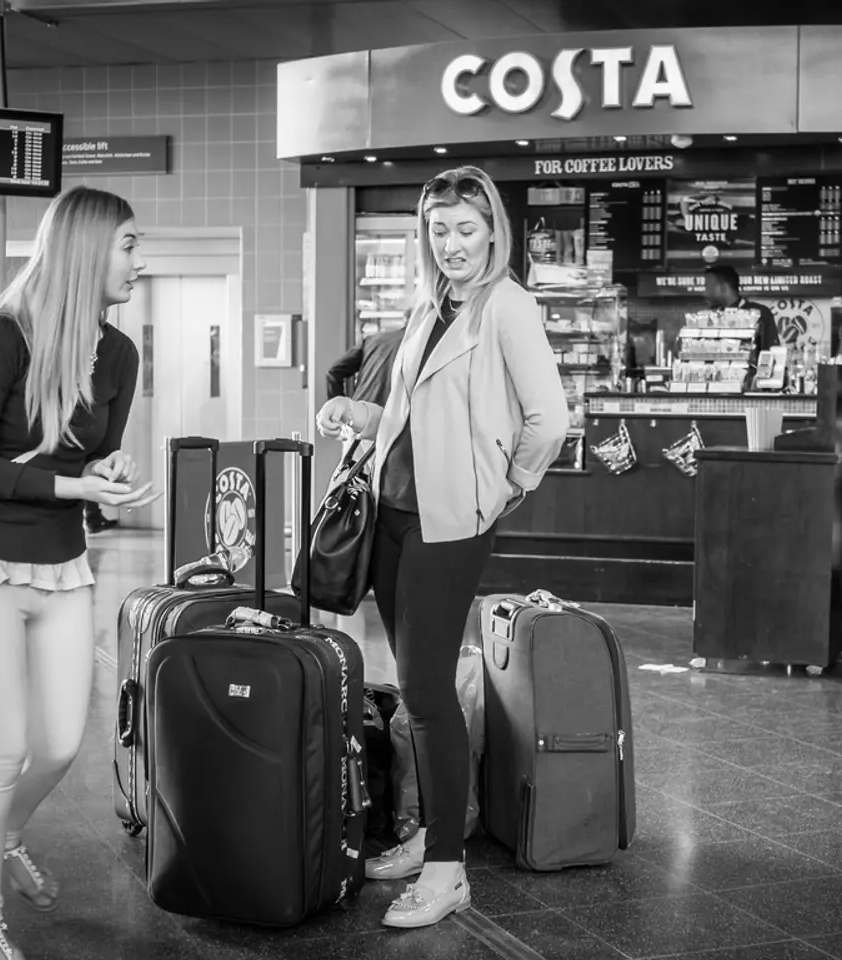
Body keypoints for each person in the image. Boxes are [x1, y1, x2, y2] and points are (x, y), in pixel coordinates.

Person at [316, 165, 568, 929]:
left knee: (425, 690)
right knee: (416, 683)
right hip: (393, 513)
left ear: (493, 229)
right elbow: (405, 410)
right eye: (438, 229)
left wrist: (503, 490)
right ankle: (431, 834)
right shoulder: (432, 305)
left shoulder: (507, 307)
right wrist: (358, 419)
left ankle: (448, 871)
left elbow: (549, 420)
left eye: (465, 228)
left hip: (448, 522)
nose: (452, 243)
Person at [0, 186, 158, 960]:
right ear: (89, 249)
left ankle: (5, 832)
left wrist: (110, 483)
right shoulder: (4, 336)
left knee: (59, 744)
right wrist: (75, 486)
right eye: (128, 245)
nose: (139, 260)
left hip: (62, 564)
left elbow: (92, 469)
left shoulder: (119, 352)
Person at [704, 263, 779, 387]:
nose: (705, 293)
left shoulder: (759, 313)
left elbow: (772, 353)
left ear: (723, 288)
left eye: (708, 287)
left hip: (750, 391)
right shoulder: (709, 318)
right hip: (715, 388)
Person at [325, 325, 405, 408]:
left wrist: (340, 407)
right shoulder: (412, 347)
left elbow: (334, 371)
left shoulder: (372, 340)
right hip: (388, 414)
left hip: (359, 410)